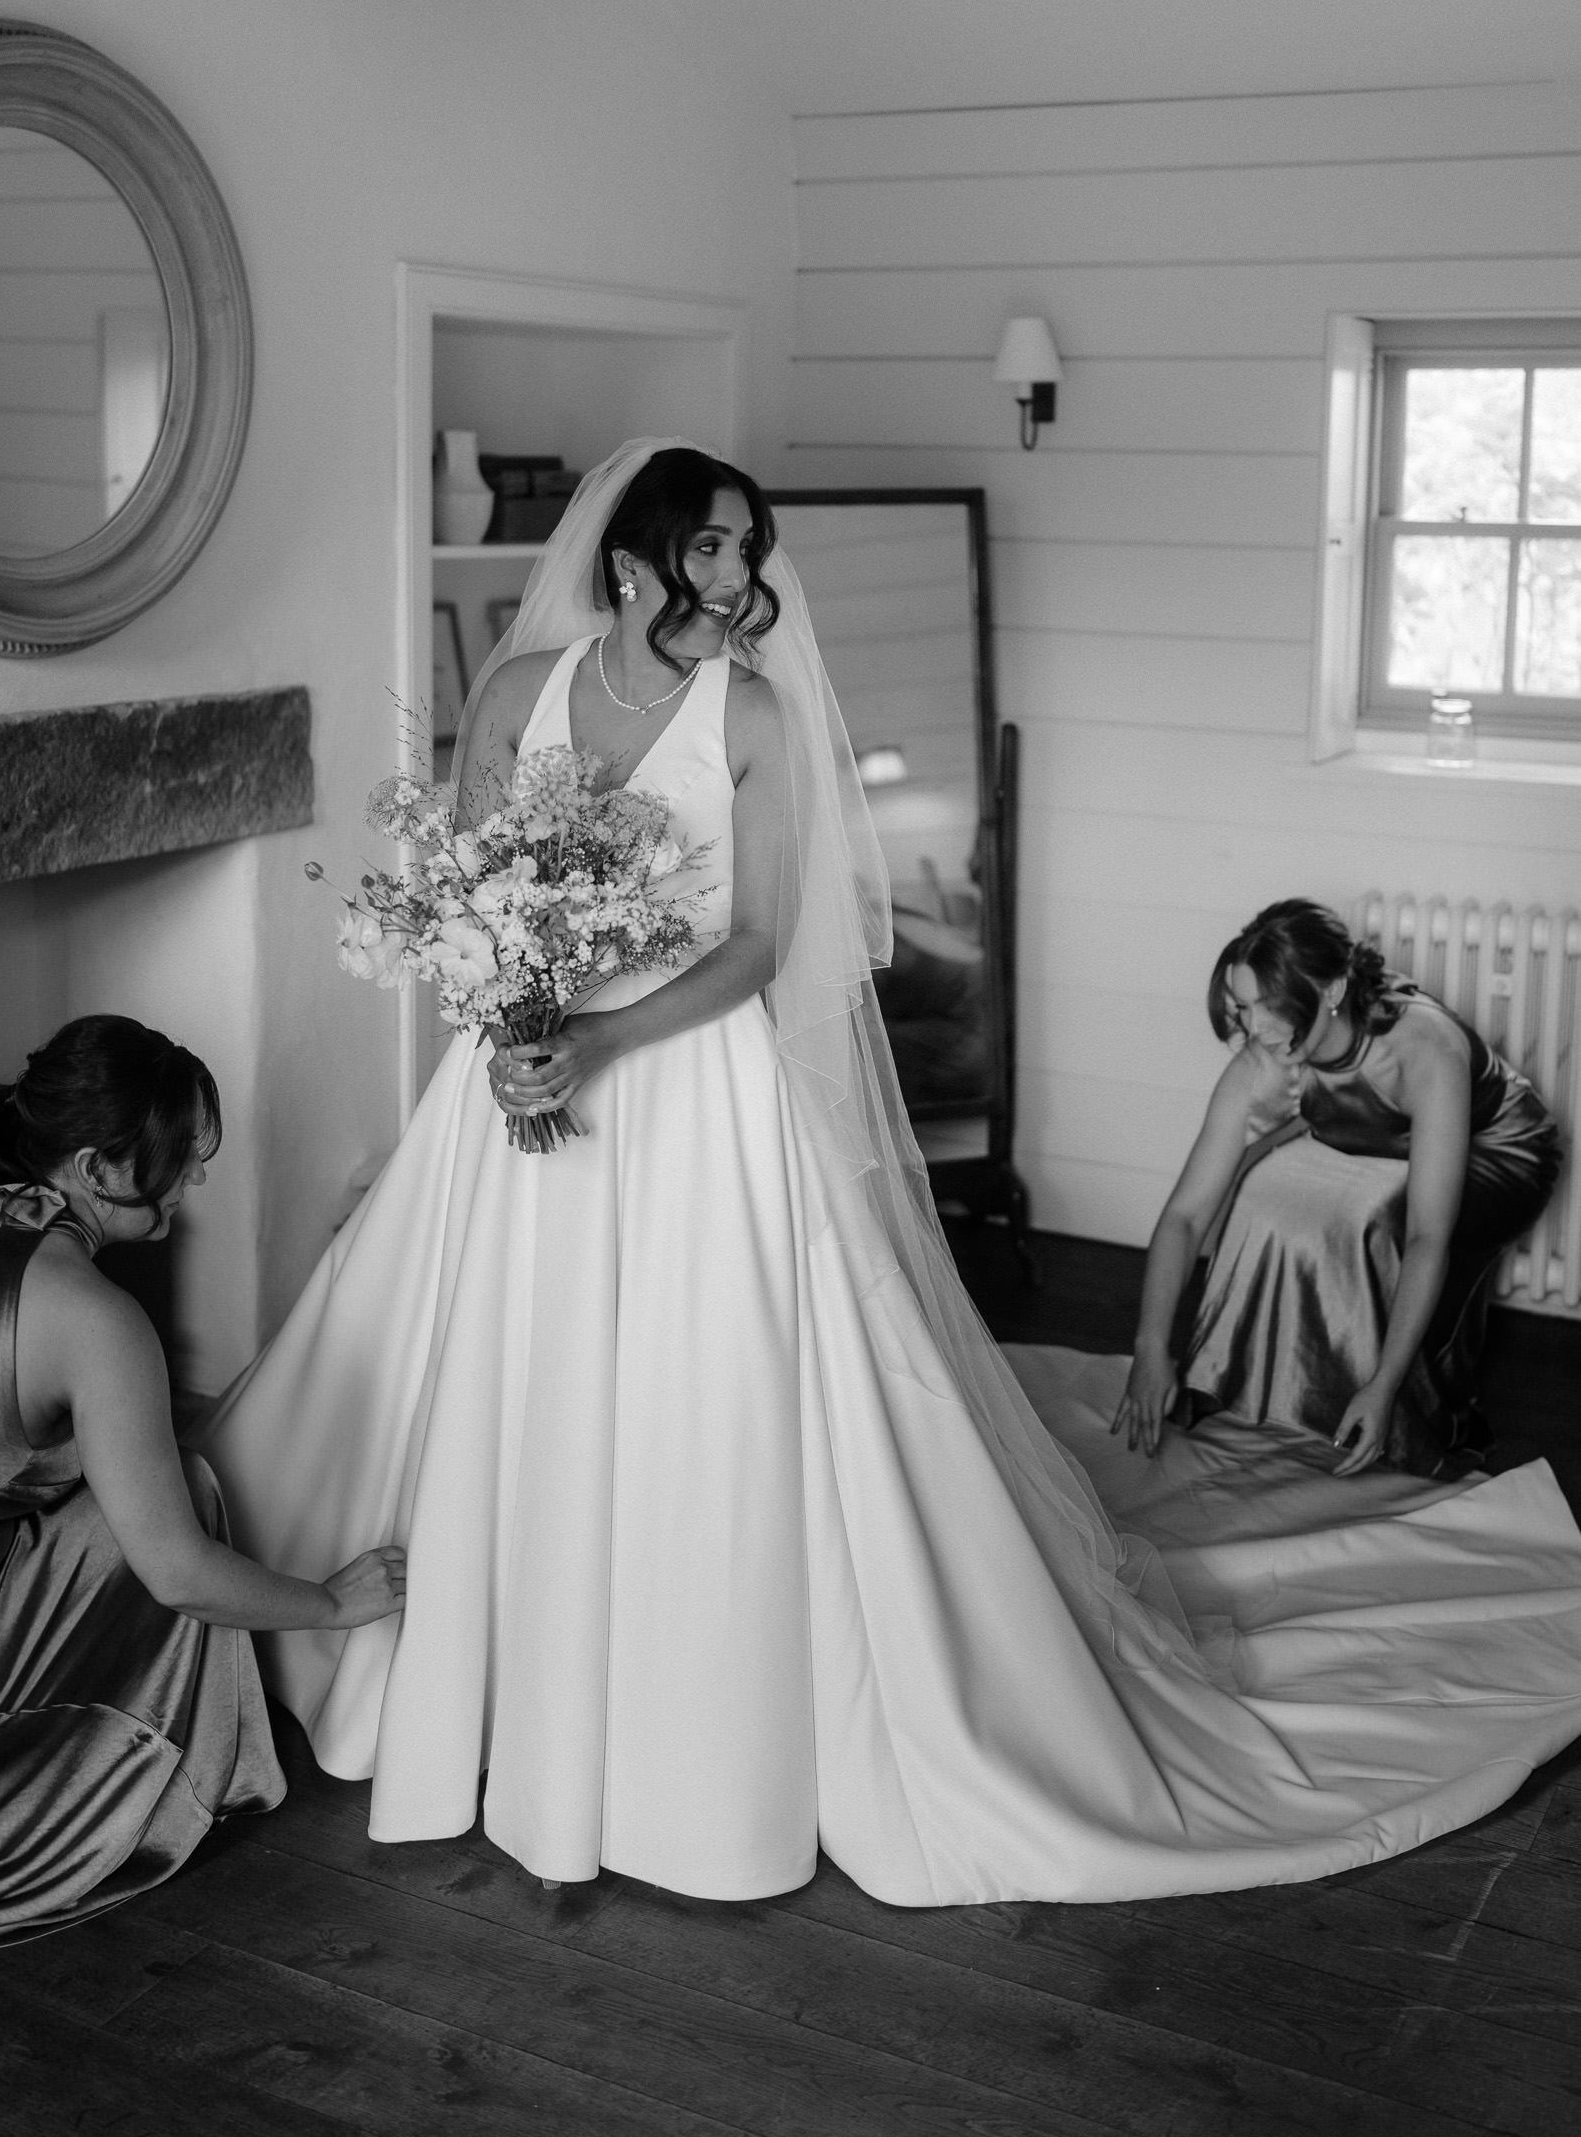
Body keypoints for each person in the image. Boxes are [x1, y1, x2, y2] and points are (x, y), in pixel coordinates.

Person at [202, 444, 1581, 1909]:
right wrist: (512, 1036)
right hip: (521, 1082)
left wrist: (594, 1041)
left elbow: (752, 944)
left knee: (698, 1393)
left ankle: (674, 1744)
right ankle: (469, 1681)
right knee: (498, 1366)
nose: (742, 576)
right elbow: (474, 901)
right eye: (713, 549)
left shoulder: (749, 714)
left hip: (688, 1087)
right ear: (629, 565)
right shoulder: (512, 695)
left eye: (748, 548)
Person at [0, 1015, 405, 1955]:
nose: (195, 1178)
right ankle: (114, 1780)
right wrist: (330, 1603)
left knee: (127, 1489)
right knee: (179, 1498)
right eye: (182, 1155)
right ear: (94, 1167)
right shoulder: (92, 1315)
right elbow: (178, 1575)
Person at [1116, 899, 1563, 1477]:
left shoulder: (1424, 1051)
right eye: (1244, 1006)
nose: (1256, 1028)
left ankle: (1412, 1414)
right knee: (1263, 1187)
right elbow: (1186, 1215)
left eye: (1272, 1005)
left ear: (1332, 989)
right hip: (1391, 1136)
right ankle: (1283, 1391)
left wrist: (1383, 1386)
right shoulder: (1267, 1052)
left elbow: (1428, 1237)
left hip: (1501, 1150)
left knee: (1387, 1218)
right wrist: (1151, 1347)